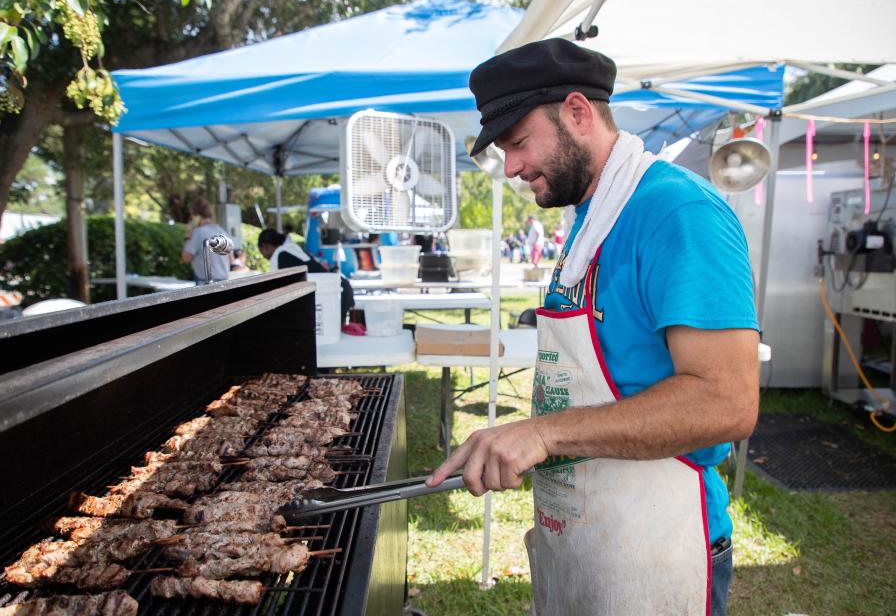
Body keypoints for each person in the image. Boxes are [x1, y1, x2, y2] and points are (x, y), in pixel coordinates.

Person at [426, 38, 759, 615]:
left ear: (578, 112)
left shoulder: (678, 213)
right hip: (581, 536)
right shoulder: (592, 218)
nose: (511, 167)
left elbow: (727, 402)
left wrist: (545, 434)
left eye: (517, 142)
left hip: (660, 546)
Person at [257, 229, 354, 322]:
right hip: (338, 289)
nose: (263, 256)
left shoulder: (282, 255)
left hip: (330, 296)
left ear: (265, 246)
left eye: (261, 252)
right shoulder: (291, 249)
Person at [181, 197, 230, 284]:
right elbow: (231, 259)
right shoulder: (222, 231)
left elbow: (185, 258)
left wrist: (188, 235)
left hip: (206, 283)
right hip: (225, 281)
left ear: (196, 216)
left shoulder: (199, 232)